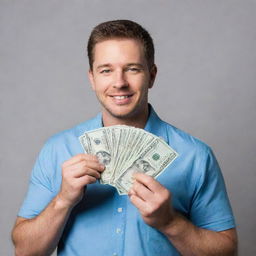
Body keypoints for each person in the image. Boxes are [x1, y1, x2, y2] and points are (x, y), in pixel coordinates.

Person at [12, 20, 237, 255]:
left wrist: (170, 223)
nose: (119, 83)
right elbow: (25, 251)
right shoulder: (57, 150)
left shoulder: (196, 157)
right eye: (106, 70)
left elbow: (227, 251)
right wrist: (63, 200)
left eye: (132, 69)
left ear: (151, 75)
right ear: (92, 78)